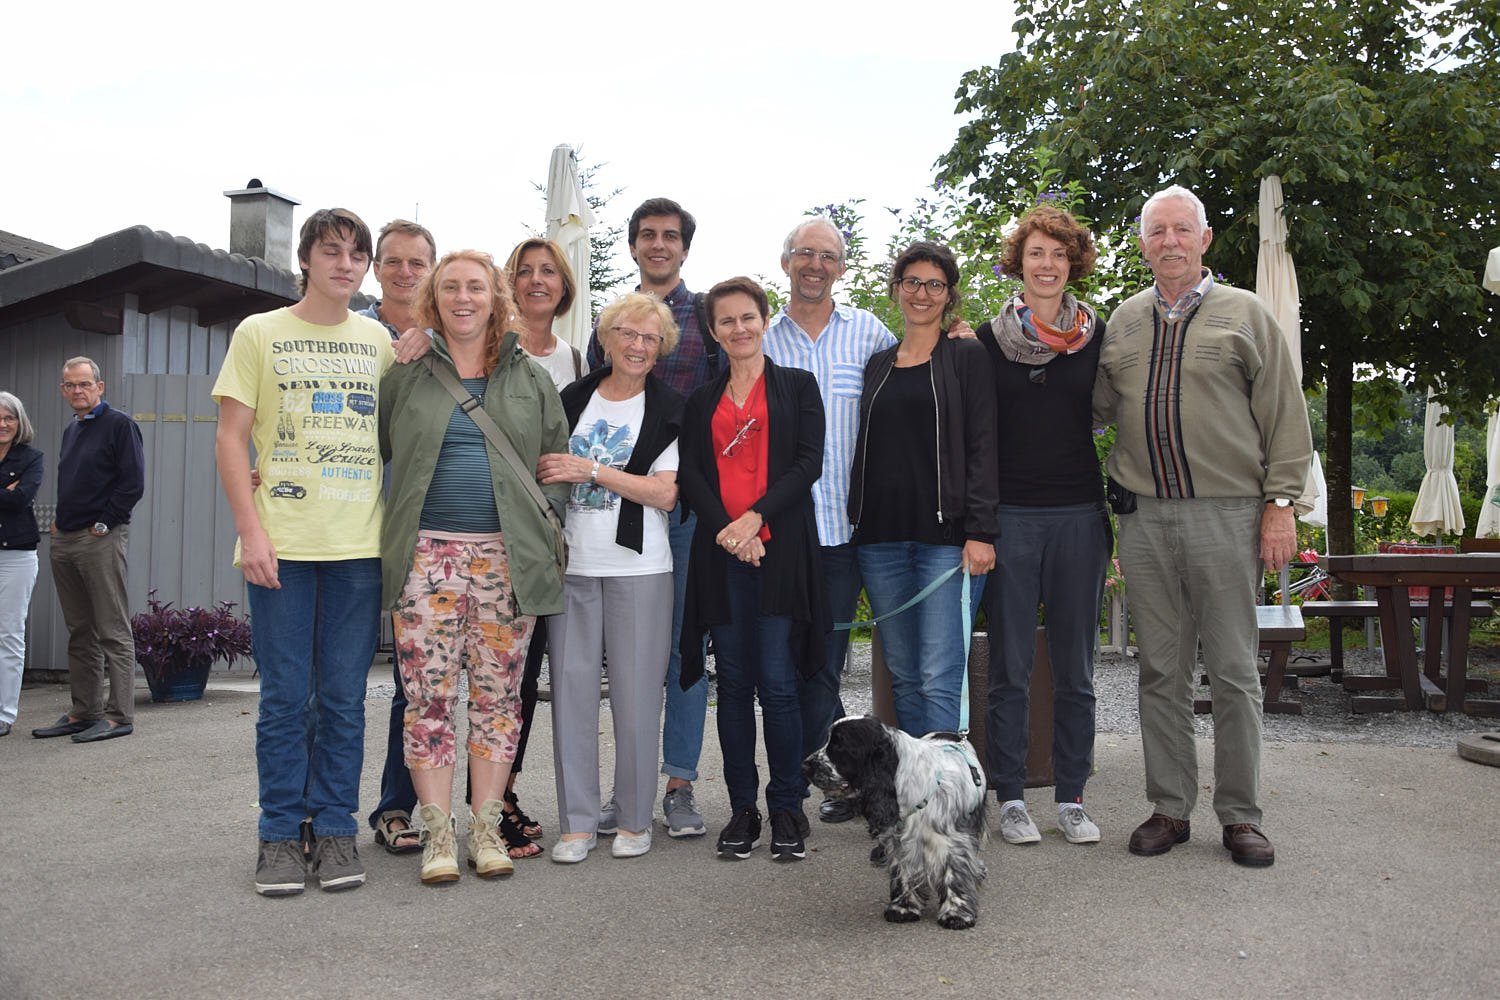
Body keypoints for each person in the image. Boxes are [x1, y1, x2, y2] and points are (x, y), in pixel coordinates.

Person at [1093, 184, 1312, 868]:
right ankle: (1169, 808)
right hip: (1144, 517)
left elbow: (1285, 414)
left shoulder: (1246, 313)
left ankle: (1241, 815)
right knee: (1160, 669)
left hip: (1228, 513)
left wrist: (1281, 504)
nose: (1170, 242)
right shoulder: (1123, 322)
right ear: (1142, 244)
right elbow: (1089, 407)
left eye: (1182, 229)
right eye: (1157, 231)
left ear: (1205, 239)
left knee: (1233, 669)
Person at [214, 208, 394, 896]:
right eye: (331, 251)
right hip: (282, 545)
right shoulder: (259, 332)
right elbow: (232, 438)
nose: (346, 264)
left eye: (357, 254)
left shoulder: (378, 341)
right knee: (286, 699)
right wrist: (251, 531)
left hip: (358, 547)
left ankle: (337, 828)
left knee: (344, 699)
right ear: (306, 260)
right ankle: (281, 836)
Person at [380, 250, 568, 884]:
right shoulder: (406, 373)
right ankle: (438, 836)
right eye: (452, 287)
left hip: (505, 560)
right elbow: (377, 448)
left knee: (498, 698)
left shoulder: (530, 377)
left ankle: (485, 830)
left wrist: (538, 536)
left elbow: (554, 464)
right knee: (426, 699)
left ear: (496, 298)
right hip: (424, 558)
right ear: (434, 298)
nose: (464, 297)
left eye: (476, 287)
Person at [679, 276, 827, 862]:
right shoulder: (700, 401)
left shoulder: (798, 386)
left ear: (765, 321)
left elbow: (808, 464)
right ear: (713, 332)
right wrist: (731, 533)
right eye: (726, 321)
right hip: (723, 557)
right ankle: (743, 808)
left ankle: (787, 804)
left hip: (781, 552)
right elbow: (693, 475)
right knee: (736, 687)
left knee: (780, 685)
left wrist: (754, 520)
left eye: (748, 317)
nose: (738, 328)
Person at [976, 204, 1110, 847]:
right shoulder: (985, 339)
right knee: (1010, 667)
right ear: (1019, 262)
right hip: (1011, 518)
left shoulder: (1099, 336)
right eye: (1036, 253)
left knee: (1076, 668)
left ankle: (1072, 796)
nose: (1047, 264)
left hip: (1079, 515)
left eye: (1059, 254)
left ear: (1072, 262)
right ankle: (1009, 796)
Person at [586, 198, 719, 840]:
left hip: (688, 509)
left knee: (683, 649)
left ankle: (679, 785)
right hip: (619, 511)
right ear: (634, 246)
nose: (659, 244)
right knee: (627, 659)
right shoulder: (612, 320)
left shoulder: (708, 319)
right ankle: (627, 789)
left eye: (670, 236)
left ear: (685, 248)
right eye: (647, 235)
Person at [762, 218, 898, 825]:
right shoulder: (764, 340)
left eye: (827, 256)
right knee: (784, 665)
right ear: (786, 262)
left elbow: (915, 372)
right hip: (779, 532)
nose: (815, 265)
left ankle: (826, 784)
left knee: (825, 663)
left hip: (843, 529)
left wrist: (957, 335)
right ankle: (807, 778)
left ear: (841, 268)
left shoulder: (868, 332)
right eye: (804, 254)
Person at [539, 292, 682, 863]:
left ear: (661, 349)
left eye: (650, 338)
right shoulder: (572, 398)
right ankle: (576, 823)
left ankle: (633, 819)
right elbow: (545, 467)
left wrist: (592, 470)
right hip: (572, 565)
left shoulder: (670, 407)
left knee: (638, 698)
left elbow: (664, 494)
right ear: (606, 337)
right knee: (570, 696)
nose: (638, 346)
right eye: (628, 333)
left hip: (641, 568)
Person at [847, 242, 998, 739]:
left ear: (949, 295)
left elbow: (983, 444)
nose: (922, 293)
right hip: (879, 541)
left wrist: (980, 530)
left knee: (939, 675)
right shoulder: (878, 364)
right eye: (912, 281)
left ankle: (944, 785)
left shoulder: (965, 355)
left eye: (935, 284)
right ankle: (916, 783)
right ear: (897, 289)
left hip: (946, 543)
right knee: (905, 677)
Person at [494, 237, 589, 857]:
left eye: (548, 271)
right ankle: (495, 798)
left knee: (531, 676)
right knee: (508, 676)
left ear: (564, 285)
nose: (536, 280)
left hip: (558, 536)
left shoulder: (577, 360)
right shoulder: (489, 348)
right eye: (524, 271)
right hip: (500, 533)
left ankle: (506, 791)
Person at [359, 218, 438, 857]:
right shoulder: (352, 335)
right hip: (347, 529)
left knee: (414, 684)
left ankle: (396, 807)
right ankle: (319, 813)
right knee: (333, 686)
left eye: (417, 262)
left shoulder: (450, 340)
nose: (405, 272)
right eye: (393, 261)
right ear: (375, 267)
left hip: (420, 535)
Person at [32, 358, 145, 745]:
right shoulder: (73, 428)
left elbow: (132, 483)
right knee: (80, 630)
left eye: (84, 384)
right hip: (66, 538)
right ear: (63, 390)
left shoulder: (120, 425)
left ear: (100, 386)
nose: (77, 391)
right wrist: (59, 522)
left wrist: (105, 523)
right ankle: (85, 711)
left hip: (98, 538)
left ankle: (119, 716)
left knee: (112, 629)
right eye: (70, 385)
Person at [0, 392, 43, 738]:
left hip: (17, 555)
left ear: (19, 422)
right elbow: (11, 497)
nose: (3, 424)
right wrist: (7, 490)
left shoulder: (31, 458)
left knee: (9, 634)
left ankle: (4, 713)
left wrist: (14, 494)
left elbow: (22, 499)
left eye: (9, 418)